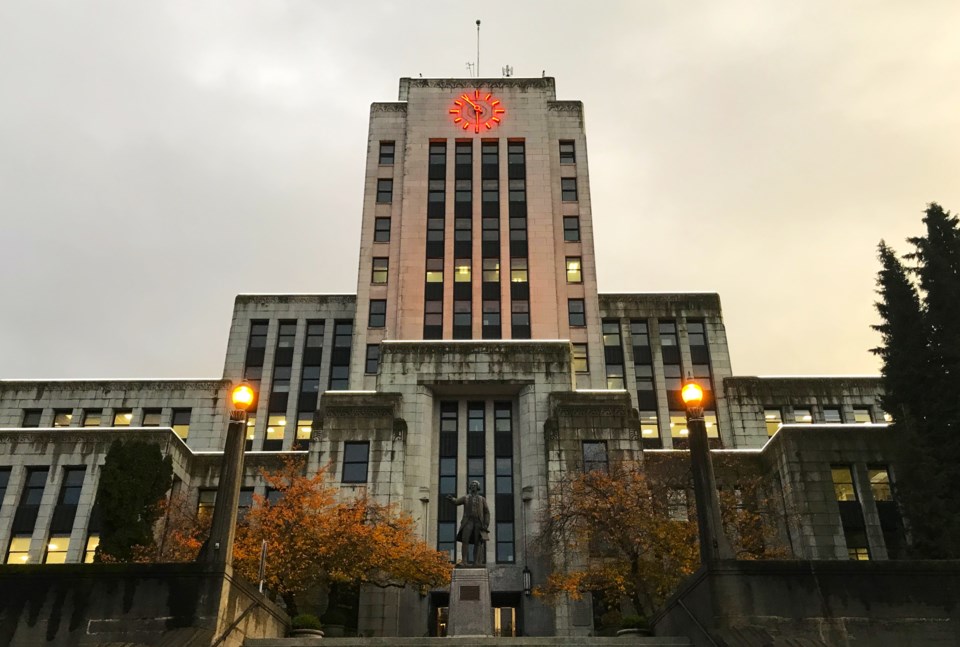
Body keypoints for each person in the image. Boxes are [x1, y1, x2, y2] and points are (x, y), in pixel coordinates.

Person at [446, 480, 490, 566]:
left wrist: (485, 524)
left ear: (478, 487)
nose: (473, 486)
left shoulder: (482, 499)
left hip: (478, 523)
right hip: (468, 522)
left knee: (478, 542)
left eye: (475, 485)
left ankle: (477, 562)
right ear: (470, 487)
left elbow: (487, 512)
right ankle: (464, 561)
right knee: (465, 540)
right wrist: (451, 499)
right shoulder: (466, 498)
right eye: (472, 485)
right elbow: (457, 501)